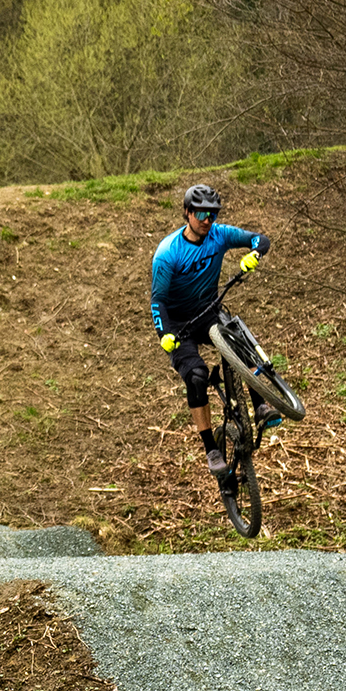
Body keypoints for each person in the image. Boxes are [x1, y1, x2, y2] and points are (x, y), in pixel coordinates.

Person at [151, 183, 273, 476]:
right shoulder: (168, 253)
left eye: (213, 214)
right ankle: (211, 449)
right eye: (202, 213)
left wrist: (254, 253)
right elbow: (158, 301)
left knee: (237, 342)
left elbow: (260, 238)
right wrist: (164, 334)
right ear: (187, 212)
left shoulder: (219, 235)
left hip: (208, 311)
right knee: (196, 377)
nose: (208, 219)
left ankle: (261, 406)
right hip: (178, 325)